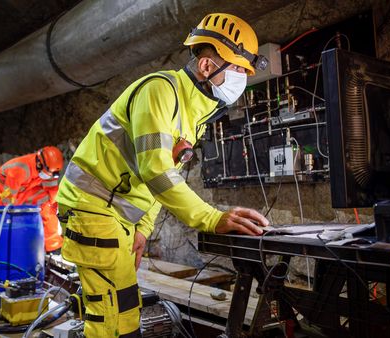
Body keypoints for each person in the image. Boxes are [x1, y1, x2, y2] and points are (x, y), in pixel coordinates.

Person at [56, 13, 270, 337]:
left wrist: (142, 228)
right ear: (208, 66)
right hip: (89, 205)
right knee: (106, 311)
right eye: (238, 68)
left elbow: (164, 177)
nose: (242, 77)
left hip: (116, 215)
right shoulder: (160, 92)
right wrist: (212, 218)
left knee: (126, 307)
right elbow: (156, 171)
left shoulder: (192, 116)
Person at [0, 146, 64, 252]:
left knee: (46, 204)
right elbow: (7, 198)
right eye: (49, 173)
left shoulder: (49, 170)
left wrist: (54, 206)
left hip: (26, 186)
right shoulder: (20, 170)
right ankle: (7, 247)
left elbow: (52, 190)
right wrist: (12, 213)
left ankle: (53, 246)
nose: (51, 176)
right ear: (39, 163)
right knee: (4, 215)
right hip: (4, 187)